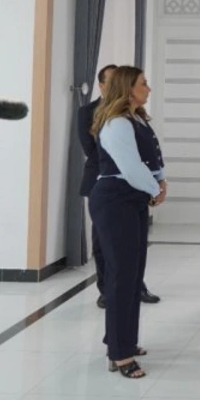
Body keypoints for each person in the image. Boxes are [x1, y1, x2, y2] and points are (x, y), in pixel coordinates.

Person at [89, 66, 167, 380]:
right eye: (143, 84)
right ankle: (120, 354)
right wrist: (154, 189)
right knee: (122, 277)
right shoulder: (117, 123)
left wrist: (160, 180)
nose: (148, 88)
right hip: (114, 199)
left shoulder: (137, 119)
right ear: (127, 89)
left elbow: (152, 158)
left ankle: (123, 340)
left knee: (133, 276)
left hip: (132, 198)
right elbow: (131, 167)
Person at [77, 64, 160, 309]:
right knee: (105, 245)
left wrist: (155, 180)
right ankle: (106, 290)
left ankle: (134, 288)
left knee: (130, 254)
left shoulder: (134, 116)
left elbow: (148, 153)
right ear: (103, 85)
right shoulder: (102, 116)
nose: (147, 88)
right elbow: (91, 150)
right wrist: (121, 168)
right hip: (106, 182)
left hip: (131, 185)